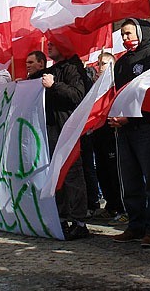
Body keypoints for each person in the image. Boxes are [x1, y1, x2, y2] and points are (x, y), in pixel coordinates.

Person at [110, 18, 150, 248]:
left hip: (146, 127)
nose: (124, 38)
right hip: (123, 129)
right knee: (130, 179)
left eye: (129, 33)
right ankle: (135, 224)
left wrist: (131, 116)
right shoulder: (121, 63)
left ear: (141, 33)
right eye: (122, 34)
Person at [39, 40, 92, 240]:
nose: (49, 47)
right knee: (56, 176)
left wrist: (55, 86)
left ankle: (79, 222)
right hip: (53, 129)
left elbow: (78, 96)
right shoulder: (52, 69)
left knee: (72, 175)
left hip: (68, 129)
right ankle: (61, 218)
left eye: (53, 43)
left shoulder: (73, 67)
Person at [89, 52, 126, 222]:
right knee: (102, 171)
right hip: (97, 133)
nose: (99, 67)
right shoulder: (95, 86)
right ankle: (111, 205)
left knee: (114, 172)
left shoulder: (115, 85)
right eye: (98, 63)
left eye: (103, 63)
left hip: (112, 132)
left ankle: (122, 207)